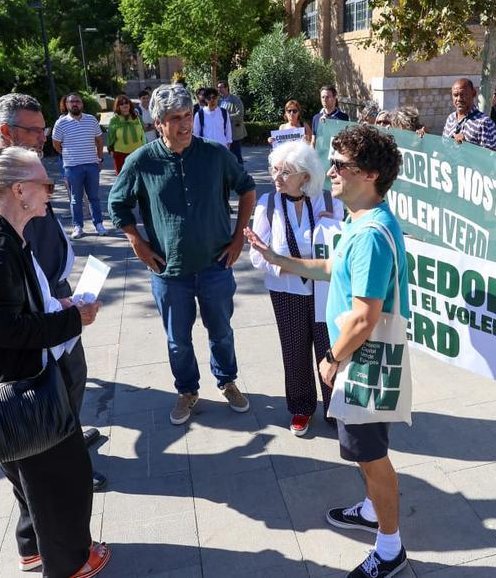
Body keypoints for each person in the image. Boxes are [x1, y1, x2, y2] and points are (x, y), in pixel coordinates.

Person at [245, 124, 411, 578]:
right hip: (362, 358)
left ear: (371, 175)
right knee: (365, 454)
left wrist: (333, 358)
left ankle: (391, 548)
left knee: (372, 457)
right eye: (331, 163)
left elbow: (363, 316)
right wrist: (278, 260)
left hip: (364, 361)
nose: (330, 172)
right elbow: (329, 267)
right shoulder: (362, 222)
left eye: (340, 165)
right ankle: (375, 511)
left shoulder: (372, 234)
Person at [0, 145, 109, 578]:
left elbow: (10, 310)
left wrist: (56, 304)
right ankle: (71, 563)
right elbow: (4, 330)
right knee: (63, 479)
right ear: (19, 189)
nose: (51, 190)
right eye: (45, 183)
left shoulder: (0, 234)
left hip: (6, 385)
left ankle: (34, 548)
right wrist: (71, 321)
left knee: (31, 480)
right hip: (22, 386)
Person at [0, 93, 106, 490]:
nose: (43, 137)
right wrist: (52, 304)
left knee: (72, 375)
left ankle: (68, 437)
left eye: (43, 128)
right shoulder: (0, 184)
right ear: (6, 131)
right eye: (33, 129)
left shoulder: (23, 171)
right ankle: (64, 459)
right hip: (38, 304)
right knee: (58, 382)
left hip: (53, 294)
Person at [108, 84, 258, 426]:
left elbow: (247, 187)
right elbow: (117, 204)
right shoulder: (141, 161)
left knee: (221, 330)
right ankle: (187, 390)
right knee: (178, 340)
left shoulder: (214, 154)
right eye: (175, 118)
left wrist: (238, 240)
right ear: (158, 123)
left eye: (188, 115)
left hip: (216, 266)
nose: (184, 124)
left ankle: (227, 380)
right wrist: (137, 242)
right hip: (168, 270)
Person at [247, 141, 344, 435]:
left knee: (330, 350)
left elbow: (341, 249)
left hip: (324, 292)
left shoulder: (329, 203)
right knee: (294, 350)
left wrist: (333, 230)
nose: (277, 177)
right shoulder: (268, 204)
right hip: (286, 291)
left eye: (285, 172)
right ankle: (301, 408)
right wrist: (281, 264)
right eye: (274, 170)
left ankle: (335, 406)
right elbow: (256, 255)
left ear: (305, 176)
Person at [52, 92, 108, 239]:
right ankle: (78, 226)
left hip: (91, 164)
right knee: (76, 199)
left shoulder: (91, 120)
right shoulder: (61, 123)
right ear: (67, 105)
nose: (75, 104)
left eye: (77, 101)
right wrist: (69, 156)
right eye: (71, 102)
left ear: (82, 104)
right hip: (72, 167)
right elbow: (56, 144)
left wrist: (100, 159)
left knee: (94, 197)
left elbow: (99, 140)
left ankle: (99, 224)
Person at [443, 78, 496, 151]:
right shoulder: (451, 118)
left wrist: (467, 146)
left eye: (463, 94)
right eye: (455, 95)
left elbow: (490, 158)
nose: (459, 99)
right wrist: (426, 138)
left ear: (474, 93)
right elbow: (443, 148)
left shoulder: (484, 123)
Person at [105, 94, 145, 175]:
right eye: (121, 103)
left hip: (137, 153)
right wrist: (110, 149)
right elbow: (110, 136)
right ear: (118, 107)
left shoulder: (138, 118)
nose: (124, 105)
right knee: (123, 179)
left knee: (139, 178)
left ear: (130, 104)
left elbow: (143, 135)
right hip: (120, 154)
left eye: (126, 102)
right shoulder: (114, 120)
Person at [217, 81, 247, 165]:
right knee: (226, 155)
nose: (219, 89)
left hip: (235, 132)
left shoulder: (235, 99)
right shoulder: (218, 100)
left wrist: (226, 117)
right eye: (218, 87)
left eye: (221, 87)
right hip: (223, 132)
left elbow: (240, 114)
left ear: (226, 88)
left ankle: (241, 174)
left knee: (236, 155)